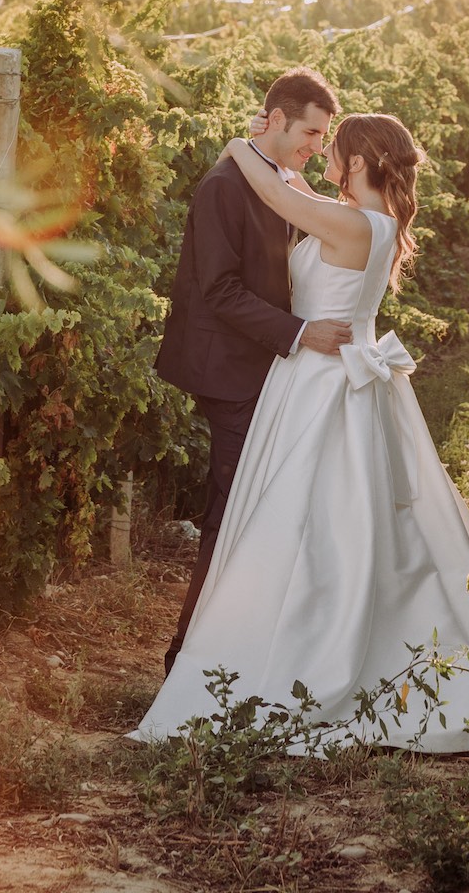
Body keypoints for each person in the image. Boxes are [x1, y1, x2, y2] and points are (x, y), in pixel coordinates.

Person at [136, 112, 469, 753]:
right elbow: (302, 200)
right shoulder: (375, 221)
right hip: (337, 377)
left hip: (320, 384)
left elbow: (275, 194)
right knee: (347, 523)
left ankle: (297, 650)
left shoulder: (350, 223)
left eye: (334, 149)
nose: (324, 159)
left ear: (357, 162)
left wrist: (244, 144)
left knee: (307, 521)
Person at [154, 67, 351, 676]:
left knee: (259, 505)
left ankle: (248, 647)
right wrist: (300, 333)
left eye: (323, 138)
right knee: (233, 508)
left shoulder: (276, 177)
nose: (317, 149)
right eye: (311, 134)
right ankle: (186, 659)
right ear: (275, 120)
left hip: (269, 367)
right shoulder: (224, 186)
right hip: (233, 372)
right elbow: (219, 291)